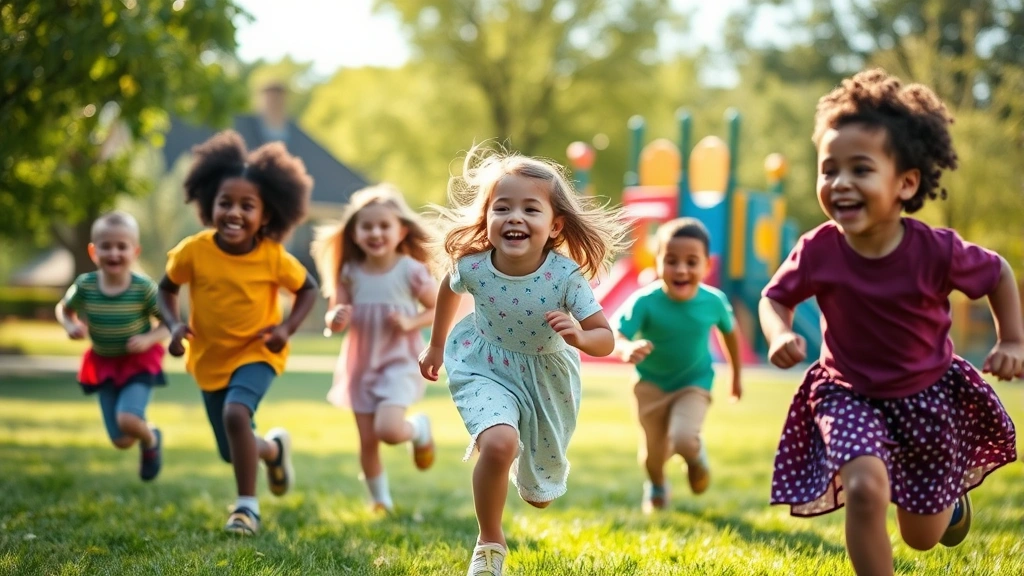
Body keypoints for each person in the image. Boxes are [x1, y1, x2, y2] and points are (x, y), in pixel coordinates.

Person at [758, 69, 1020, 576]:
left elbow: (998, 274)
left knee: (920, 538)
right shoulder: (818, 249)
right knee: (863, 488)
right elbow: (775, 298)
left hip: (927, 396)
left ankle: (949, 507)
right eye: (828, 170)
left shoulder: (936, 250)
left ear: (905, 182)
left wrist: (1013, 339)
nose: (840, 184)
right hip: (847, 392)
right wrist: (780, 332)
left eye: (860, 169)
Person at [418, 145, 630, 576]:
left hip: (546, 376)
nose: (515, 217)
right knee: (498, 443)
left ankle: (526, 471)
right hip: (484, 364)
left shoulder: (566, 277)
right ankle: (490, 542)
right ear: (487, 218)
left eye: (530, 209)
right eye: (503, 208)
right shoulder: (475, 266)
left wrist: (581, 336)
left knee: (540, 496)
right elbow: (448, 287)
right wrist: (436, 345)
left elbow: (606, 339)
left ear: (555, 226)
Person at [157, 130, 319, 535]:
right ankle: (272, 450)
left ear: (266, 216)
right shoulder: (193, 251)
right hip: (209, 358)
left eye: (248, 205)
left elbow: (307, 289)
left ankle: (246, 508)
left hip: (258, 351)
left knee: (236, 414)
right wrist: (174, 323)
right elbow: (165, 288)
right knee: (233, 449)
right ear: (209, 203)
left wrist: (286, 328)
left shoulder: (272, 256)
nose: (234, 212)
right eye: (225, 202)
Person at [311, 184, 438, 513]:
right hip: (360, 365)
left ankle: (418, 430)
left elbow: (439, 309)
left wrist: (412, 323)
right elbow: (334, 318)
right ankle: (379, 500)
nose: (375, 232)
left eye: (384, 225)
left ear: (401, 231)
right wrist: (335, 318)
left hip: (400, 361)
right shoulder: (349, 273)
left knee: (389, 431)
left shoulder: (410, 270)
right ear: (354, 233)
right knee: (368, 441)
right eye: (367, 226)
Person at [611, 217, 741, 513]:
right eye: (671, 261)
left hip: (693, 382)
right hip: (650, 386)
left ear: (707, 265)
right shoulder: (644, 301)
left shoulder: (714, 301)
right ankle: (657, 485)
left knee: (684, 438)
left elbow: (730, 334)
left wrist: (735, 376)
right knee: (652, 456)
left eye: (691, 262)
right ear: (657, 263)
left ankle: (695, 459)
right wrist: (626, 348)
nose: (681, 269)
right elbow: (616, 334)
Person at [55, 211, 168, 481]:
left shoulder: (144, 289)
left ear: (135, 251)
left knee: (127, 419)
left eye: (122, 246)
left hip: (137, 362)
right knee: (121, 439)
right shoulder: (86, 286)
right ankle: (149, 434)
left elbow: (169, 323)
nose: (114, 253)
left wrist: (149, 339)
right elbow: (64, 308)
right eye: (106, 246)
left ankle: (150, 442)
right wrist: (70, 325)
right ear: (94, 251)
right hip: (104, 363)